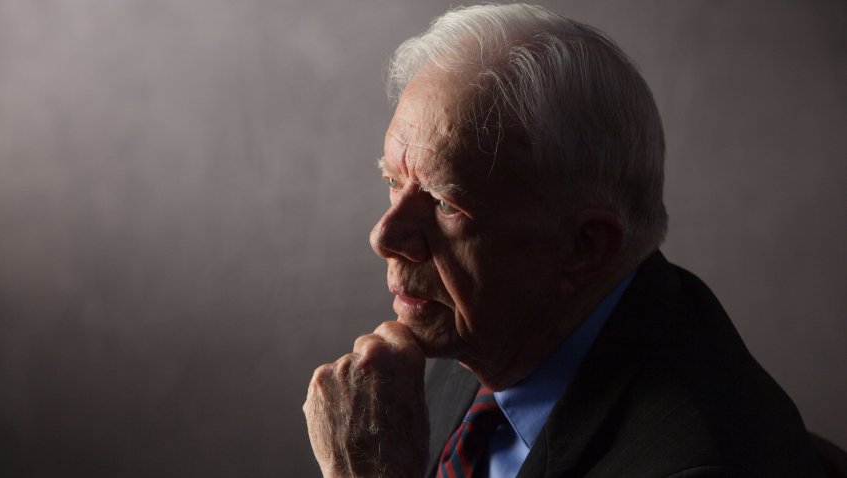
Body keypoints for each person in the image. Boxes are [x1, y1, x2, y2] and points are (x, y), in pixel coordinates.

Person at [303, 4, 824, 477]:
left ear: (585, 246)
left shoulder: (703, 461)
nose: (384, 236)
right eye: (393, 181)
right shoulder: (487, 328)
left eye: (445, 204)